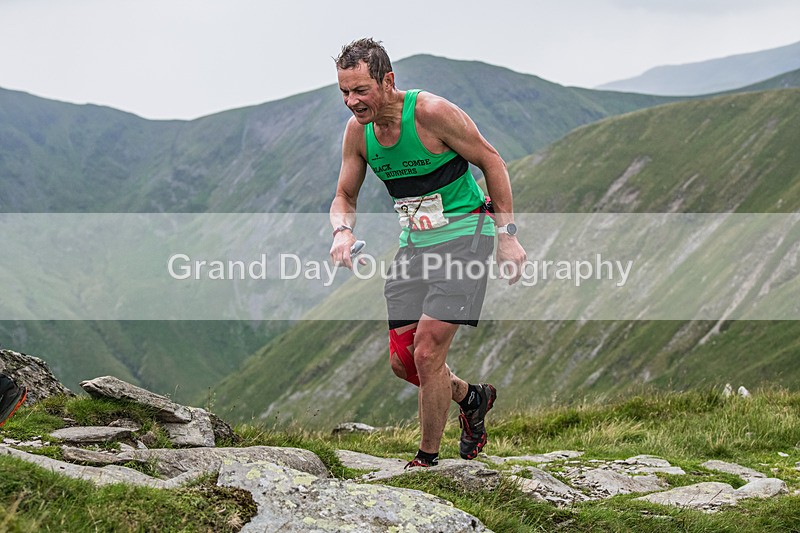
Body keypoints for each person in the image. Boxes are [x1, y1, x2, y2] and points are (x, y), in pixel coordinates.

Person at [329, 38, 526, 468]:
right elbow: (345, 194)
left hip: (465, 239)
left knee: (427, 353)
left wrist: (507, 235)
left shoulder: (431, 113)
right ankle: (471, 398)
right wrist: (342, 231)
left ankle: (427, 461)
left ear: (387, 81)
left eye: (360, 90)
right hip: (414, 246)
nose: (352, 101)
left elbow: (492, 161)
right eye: (344, 91)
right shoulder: (358, 133)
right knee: (404, 364)